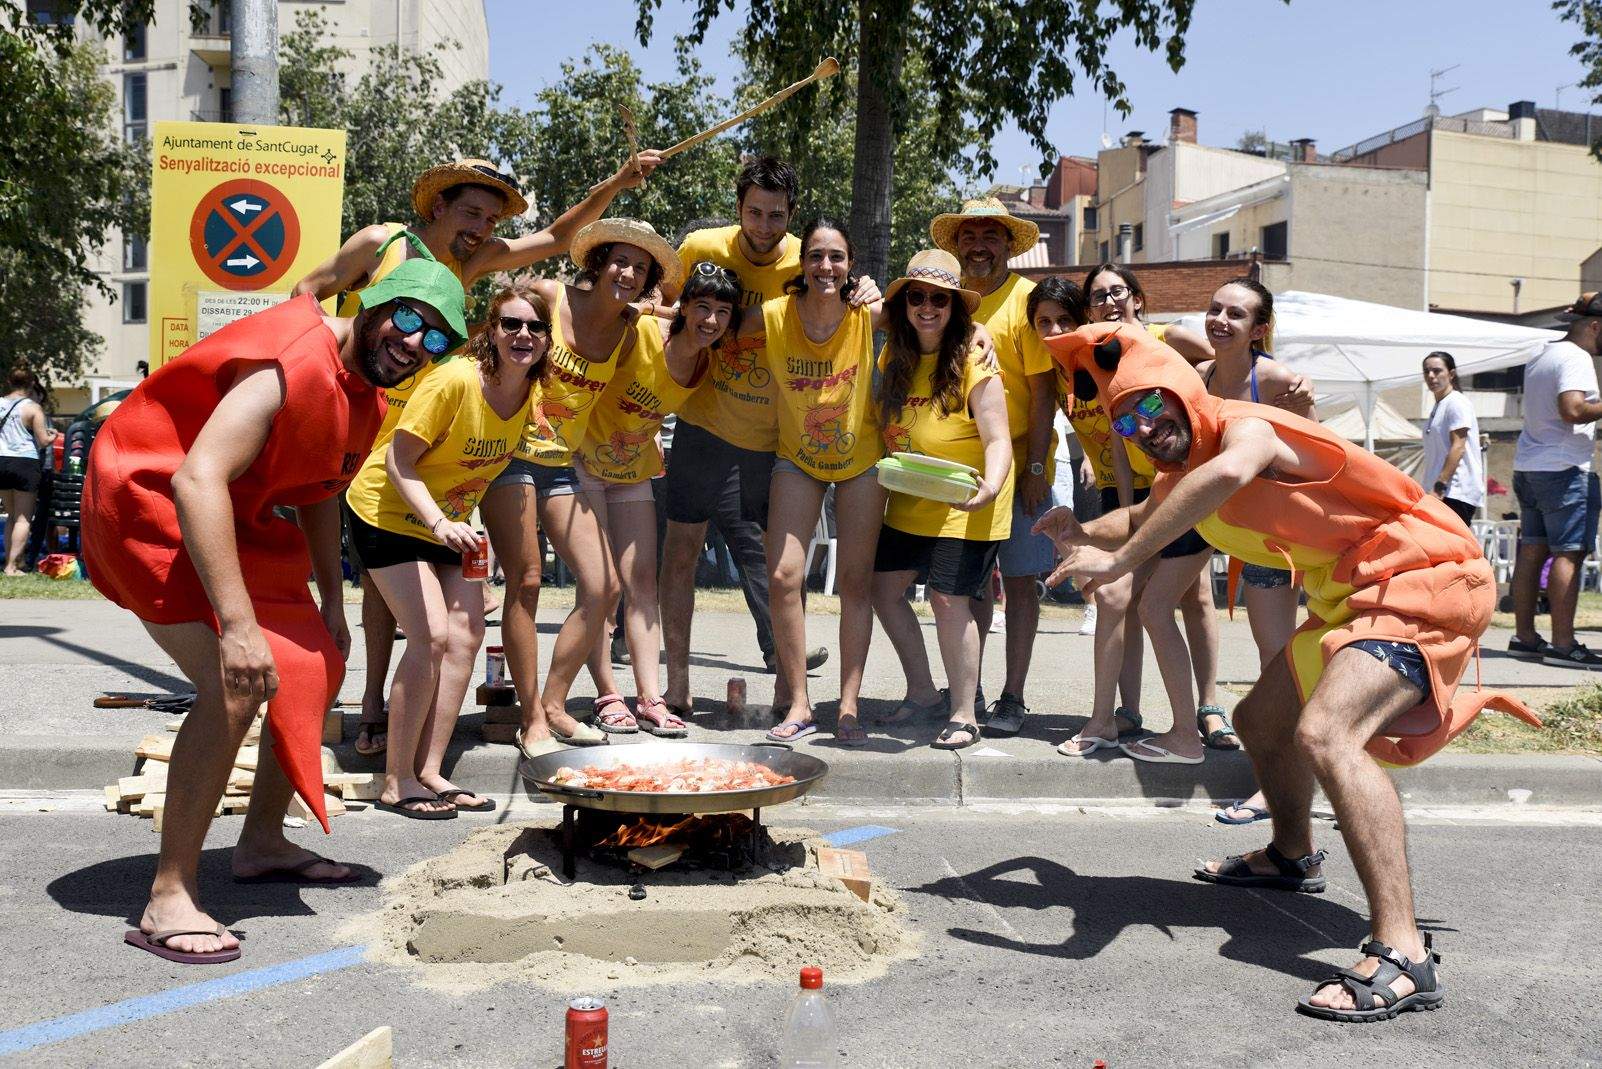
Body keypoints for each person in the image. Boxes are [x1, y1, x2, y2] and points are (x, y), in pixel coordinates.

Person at [1038, 320, 1534, 1022]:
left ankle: (1404, 953)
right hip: (1353, 595)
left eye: (1152, 406)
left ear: (1183, 392)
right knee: (1258, 721)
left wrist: (1120, 560)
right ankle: (1292, 854)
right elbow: (1149, 510)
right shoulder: (1184, 473)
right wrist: (1082, 532)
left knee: (1327, 733)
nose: (1145, 428)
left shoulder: (1247, 429)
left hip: (1425, 577)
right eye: (1127, 422)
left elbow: (1231, 473)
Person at [81, 242, 467, 963]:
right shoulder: (292, 358)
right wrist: (236, 629)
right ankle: (168, 895)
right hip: (146, 496)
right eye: (408, 317)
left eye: (436, 337)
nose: (415, 341)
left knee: (316, 660)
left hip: (227, 507)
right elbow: (196, 479)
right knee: (235, 681)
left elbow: (322, 490)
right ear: (374, 303)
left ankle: (260, 842)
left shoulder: (367, 396)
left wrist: (331, 603)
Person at [293, 152, 659, 756]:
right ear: (438, 206)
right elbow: (308, 290)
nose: (482, 228)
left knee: (419, 585)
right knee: (381, 586)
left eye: (491, 220)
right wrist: (324, 368)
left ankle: (414, 721)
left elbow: (560, 236)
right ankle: (371, 703)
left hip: (441, 431)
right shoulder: (384, 244)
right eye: (471, 213)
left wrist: (618, 182)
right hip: (370, 421)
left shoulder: (477, 263)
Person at [344, 282, 546, 817]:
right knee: (430, 634)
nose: (523, 335)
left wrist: (468, 530)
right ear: (492, 333)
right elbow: (399, 461)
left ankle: (429, 769)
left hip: (448, 522)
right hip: (387, 511)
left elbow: (479, 472)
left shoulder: (531, 395)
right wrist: (437, 521)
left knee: (467, 635)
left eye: (535, 327)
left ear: (547, 341)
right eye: (511, 325)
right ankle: (396, 780)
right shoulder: (456, 380)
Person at [485, 218, 684, 755]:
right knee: (526, 582)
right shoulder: (551, 297)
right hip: (510, 459)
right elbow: (500, 335)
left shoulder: (626, 331)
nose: (628, 273)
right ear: (598, 263)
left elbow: (674, 332)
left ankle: (553, 703)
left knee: (605, 589)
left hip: (563, 466)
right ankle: (532, 720)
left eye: (640, 269)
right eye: (620, 261)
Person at [657, 161, 835, 719]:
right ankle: (678, 686)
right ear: (738, 208)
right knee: (680, 553)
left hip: (773, 440)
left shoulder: (807, 261)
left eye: (776, 216)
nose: (763, 225)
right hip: (702, 427)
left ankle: (789, 691)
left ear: (792, 216)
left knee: (781, 566)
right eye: (754, 212)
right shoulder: (699, 247)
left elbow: (848, 303)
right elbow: (665, 311)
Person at [736, 218, 888, 743]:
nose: (826, 266)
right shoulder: (776, 315)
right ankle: (798, 702)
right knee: (782, 578)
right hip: (797, 457)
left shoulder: (870, 312)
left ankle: (847, 706)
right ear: (802, 264)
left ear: (851, 266)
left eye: (837, 257)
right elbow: (710, 322)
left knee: (854, 583)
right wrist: (650, 314)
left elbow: (938, 322)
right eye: (817, 256)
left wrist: (978, 331)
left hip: (861, 460)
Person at [574, 263, 741, 735]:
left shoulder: (706, 363)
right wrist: (648, 306)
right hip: (584, 463)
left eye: (721, 313)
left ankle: (649, 697)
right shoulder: (641, 332)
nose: (710, 320)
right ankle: (608, 695)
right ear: (683, 306)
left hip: (633, 471)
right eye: (701, 307)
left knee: (642, 582)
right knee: (600, 588)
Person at [1172, 279, 1312, 822]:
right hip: (1229, 529)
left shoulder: (1275, 379)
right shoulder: (1199, 377)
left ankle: (1277, 786)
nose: (1220, 321)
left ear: (1260, 329)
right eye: (1214, 309)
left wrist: (1306, 410)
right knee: (1274, 656)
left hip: (1279, 537)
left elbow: (1315, 454)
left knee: (1276, 660)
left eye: (1236, 314)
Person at [870, 250, 1013, 749]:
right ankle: (923, 692)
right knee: (884, 592)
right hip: (913, 493)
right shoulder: (894, 353)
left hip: (967, 496)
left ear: (955, 306)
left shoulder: (975, 356)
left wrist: (989, 488)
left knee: (948, 600)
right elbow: (847, 304)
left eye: (939, 299)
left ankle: (963, 713)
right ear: (904, 303)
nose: (927, 307)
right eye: (917, 297)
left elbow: (999, 440)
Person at [1080, 264, 1218, 764]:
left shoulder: (1164, 336)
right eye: (1098, 296)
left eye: (1117, 291)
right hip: (1142, 489)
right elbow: (1118, 439)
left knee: (1191, 598)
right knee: (1133, 601)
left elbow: (1214, 356)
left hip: (1188, 480)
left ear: (1137, 297)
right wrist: (1123, 516)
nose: (1109, 301)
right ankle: (1130, 713)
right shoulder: (1099, 359)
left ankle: (1207, 712)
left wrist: (1201, 388)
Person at [929, 198, 1056, 735]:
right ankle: (970, 690)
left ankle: (1013, 696)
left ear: (1008, 245)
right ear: (955, 244)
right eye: (970, 235)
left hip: (1021, 462)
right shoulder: (948, 302)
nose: (979, 244)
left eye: (991, 235)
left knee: (1022, 581)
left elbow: (1045, 390)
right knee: (970, 585)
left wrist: (1032, 469)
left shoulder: (1026, 300)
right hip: (961, 467)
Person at [1026, 278, 1148, 755]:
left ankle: (1197, 714)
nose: (1056, 329)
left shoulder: (1111, 354)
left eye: (1065, 320)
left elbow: (1128, 425)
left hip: (1155, 487)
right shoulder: (1055, 370)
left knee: (1174, 604)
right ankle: (1122, 714)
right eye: (1045, 322)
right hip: (1114, 491)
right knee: (1120, 602)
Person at [1507, 293, 1602, 669]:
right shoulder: (1577, 357)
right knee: (1569, 553)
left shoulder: (1541, 354)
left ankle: (1525, 638)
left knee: (1532, 552)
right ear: (1595, 326)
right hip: (1563, 469)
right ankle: (1564, 646)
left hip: (1529, 466)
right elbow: (1573, 409)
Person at [0, 367, 57, 575]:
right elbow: (43, 441)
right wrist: (52, 435)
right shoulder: (33, 408)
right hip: (24, 462)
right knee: (24, 518)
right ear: (32, 383)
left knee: (11, 516)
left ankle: (11, 561)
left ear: (9, 381)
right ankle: (12, 567)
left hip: (1, 461)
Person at [1421, 351, 1484, 527]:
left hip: (1454, 491)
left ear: (1451, 374)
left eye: (1437, 371)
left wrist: (1439, 486)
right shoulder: (1439, 405)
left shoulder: (1456, 402)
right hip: (1440, 492)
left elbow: (1458, 446)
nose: (1431, 376)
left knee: (1453, 549)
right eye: (1427, 371)